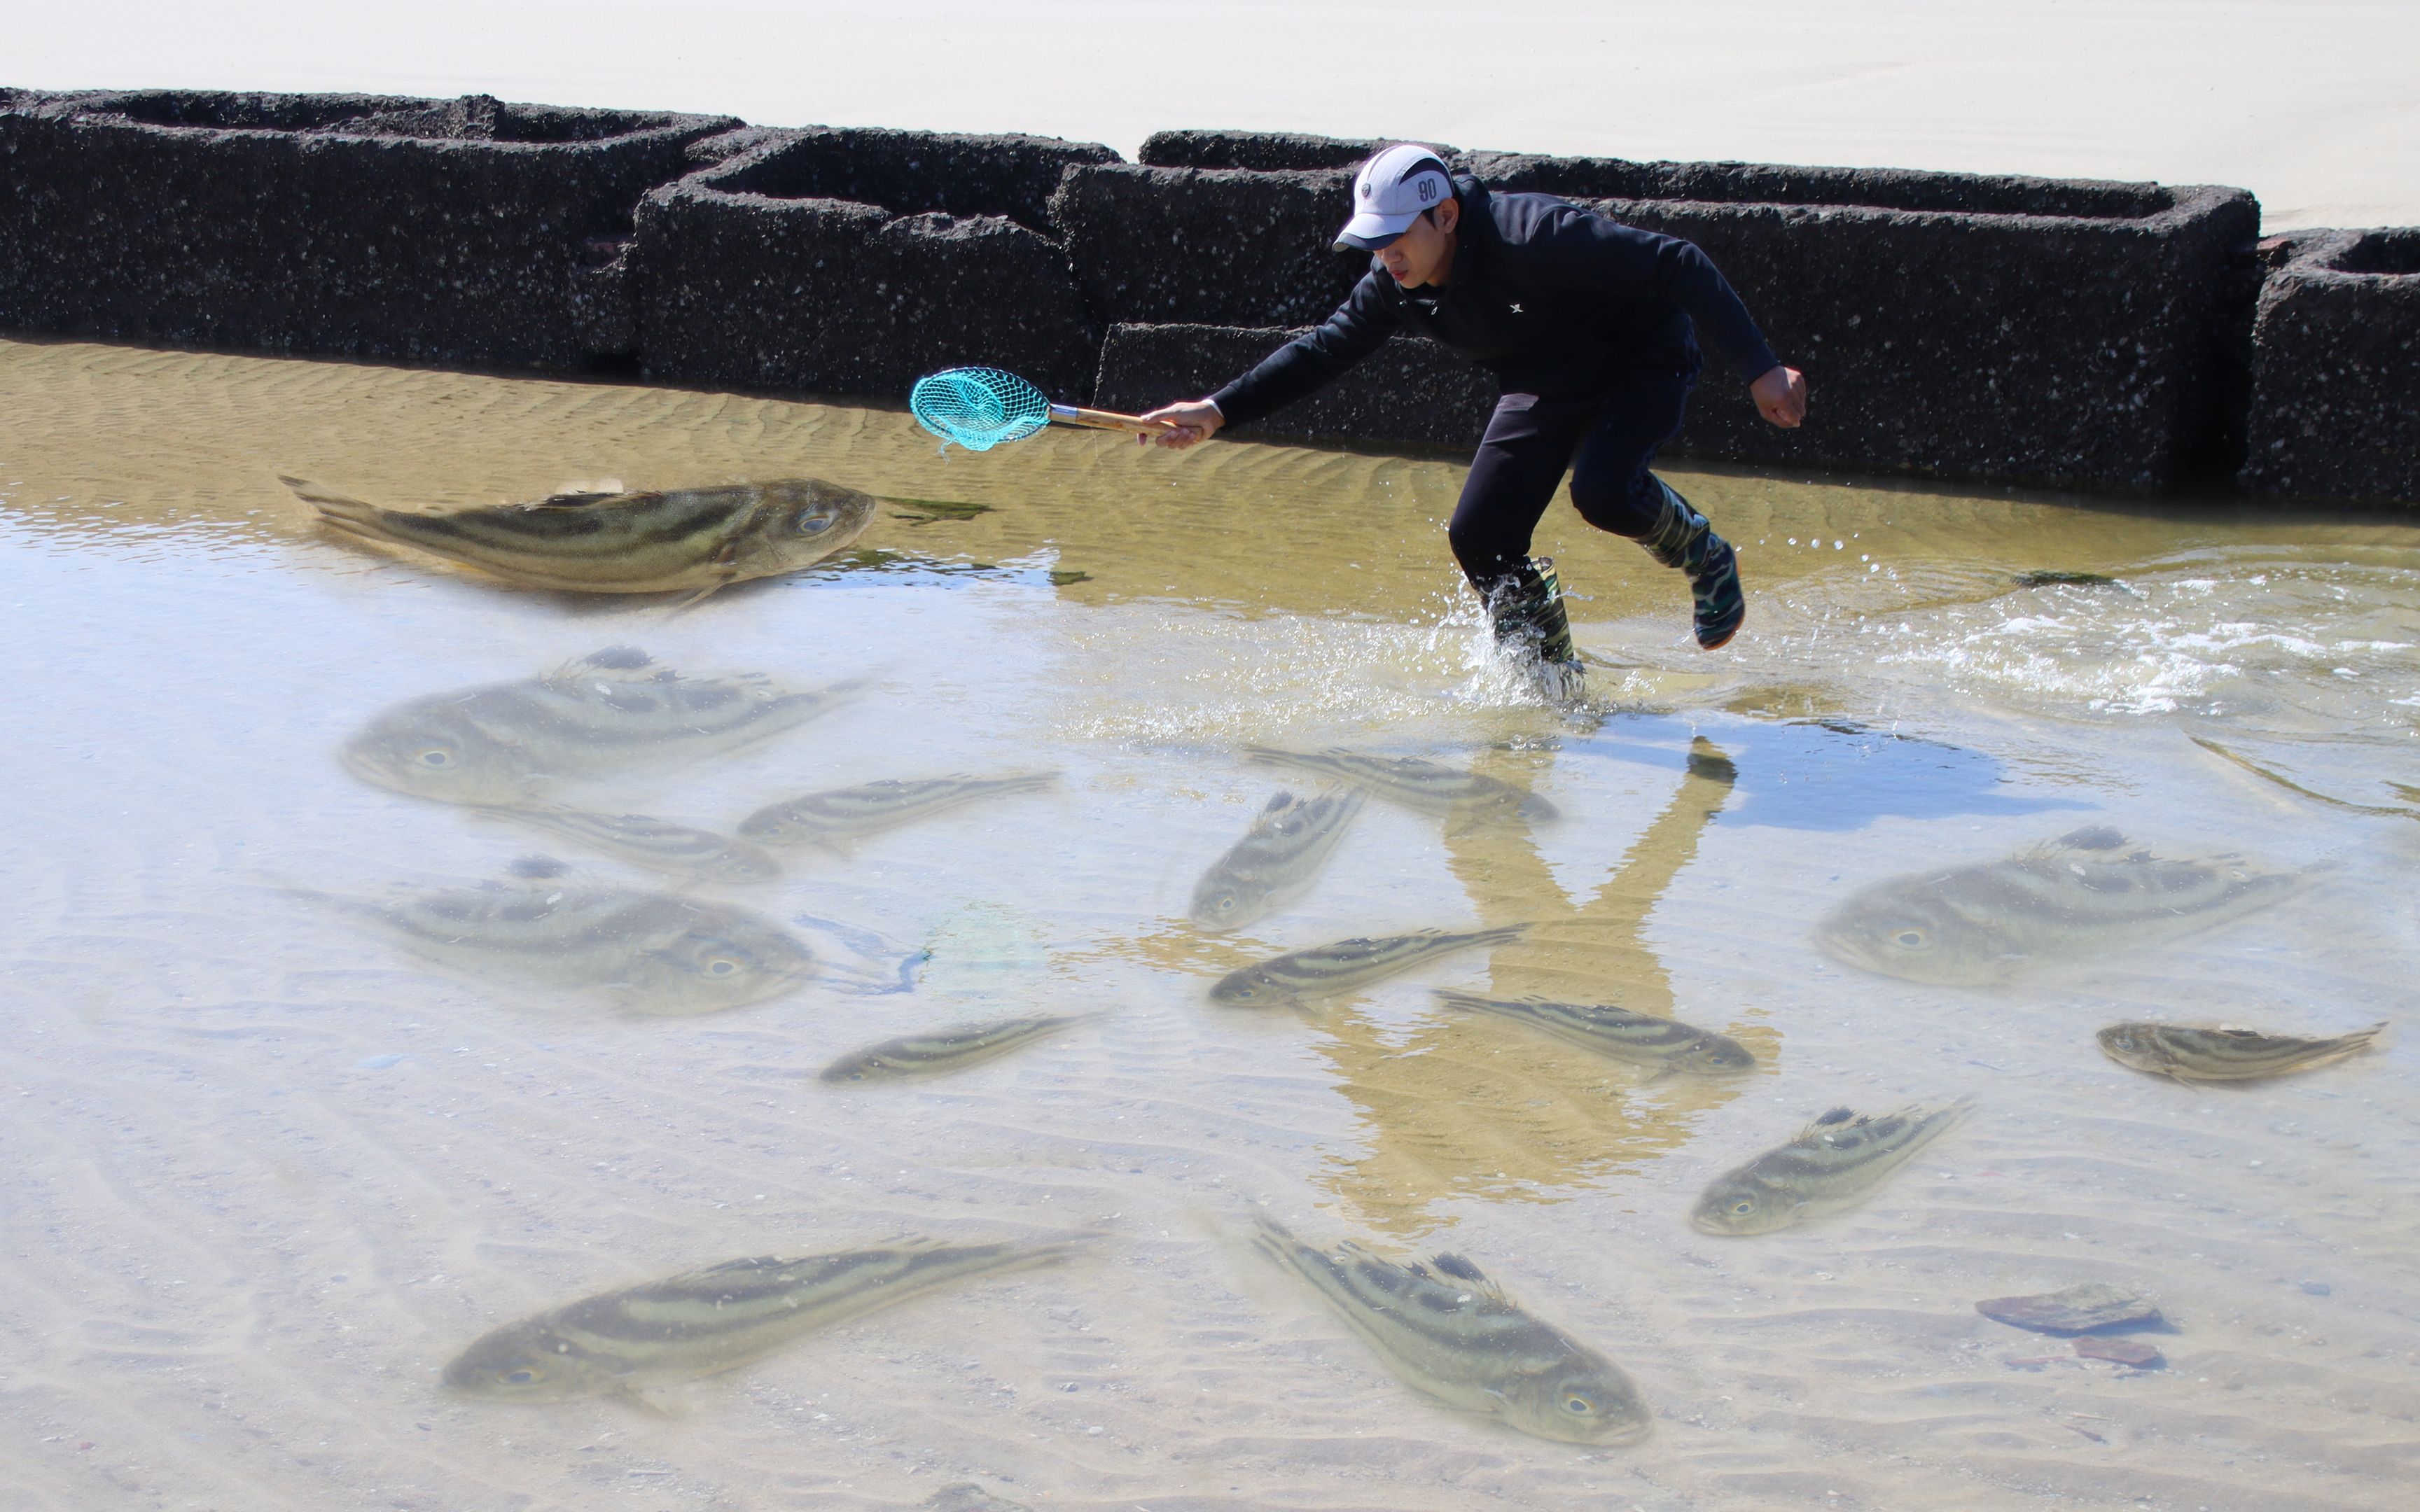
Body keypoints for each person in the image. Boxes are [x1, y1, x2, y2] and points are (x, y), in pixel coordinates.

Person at [1139, 143, 1807, 696]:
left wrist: (1761, 369)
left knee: (1602, 492)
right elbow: (1323, 352)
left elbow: (1679, 263)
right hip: (1544, 381)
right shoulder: (1393, 289)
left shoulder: (1534, 237)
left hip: (1643, 360)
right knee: (1479, 535)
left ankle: (1703, 552)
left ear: (1447, 216)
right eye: (1373, 243)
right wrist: (1217, 411)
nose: (1386, 256)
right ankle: (1550, 682)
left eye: (1396, 238)